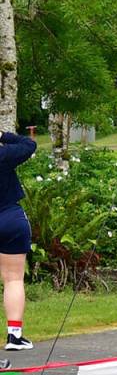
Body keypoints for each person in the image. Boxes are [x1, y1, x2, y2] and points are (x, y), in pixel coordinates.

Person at [0, 130, 38, 351]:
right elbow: (29, 145)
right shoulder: (4, 155)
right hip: (10, 218)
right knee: (13, 279)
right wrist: (3, 135)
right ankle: (14, 336)